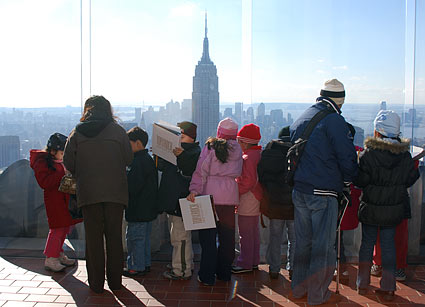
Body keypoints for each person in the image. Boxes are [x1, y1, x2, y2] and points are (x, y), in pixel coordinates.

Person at [289, 79, 358, 305]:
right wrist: (348, 180)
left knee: (303, 242)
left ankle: (299, 288)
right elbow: (346, 157)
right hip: (324, 192)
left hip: (300, 190)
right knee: (323, 245)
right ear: (341, 100)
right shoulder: (334, 120)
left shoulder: (304, 116)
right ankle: (317, 295)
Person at [63, 95, 133, 293]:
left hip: (88, 193)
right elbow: (128, 159)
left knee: (93, 240)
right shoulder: (118, 132)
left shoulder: (77, 132)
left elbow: (68, 162)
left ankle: (95, 284)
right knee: (114, 238)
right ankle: (115, 282)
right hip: (115, 193)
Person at [355, 110, 419, 301]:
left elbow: (361, 180)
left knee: (367, 244)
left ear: (377, 131)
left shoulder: (368, 155)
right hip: (393, 209)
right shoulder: (404, 156)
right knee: (389, 245)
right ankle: (389, 286)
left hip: (371, 208)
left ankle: (362, 283)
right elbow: (409, 180)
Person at [187, 117, 243, 286]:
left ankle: (206, 276)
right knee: (227, 238)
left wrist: (194, 190)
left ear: (219, 132)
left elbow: (200, 171)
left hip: (209, 197)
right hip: (229, 197)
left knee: (208, 239)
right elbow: (239, 172)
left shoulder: (210, 147)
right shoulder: (238, 149)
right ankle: (224, 273)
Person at [30, 133, 82, 272]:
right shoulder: (43, 163)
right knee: (57, 230)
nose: (64, 156)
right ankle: (51, 258)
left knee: (64, 229)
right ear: (53, 152)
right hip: (55, 203)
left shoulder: (58, 163)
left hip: (64, 202)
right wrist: (62, 174)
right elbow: (44, 182)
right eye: (62, 153)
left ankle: (58, 254)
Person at [159, 121, 201, 280]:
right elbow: (163, 168)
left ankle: (182, 270)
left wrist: (180, 156)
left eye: (182, 136)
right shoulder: (183, 151)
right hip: (173, 200)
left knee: (181, 237)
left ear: (191, 138)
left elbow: (190, 172)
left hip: (182, 201)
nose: (179, 139)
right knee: (176, 236)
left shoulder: (194, 152)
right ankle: (182, 262)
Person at [258, 126, 295, 280]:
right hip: (294, 204)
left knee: (275, 237)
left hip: (274, 203)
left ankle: (274, 269)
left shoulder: (269, 152)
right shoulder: (298, 152)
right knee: (294, 239)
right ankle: (293, 268)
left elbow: (261, 176)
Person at [123, 127, 158, 277]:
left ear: (137, 143)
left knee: (135, 239)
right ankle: (145, 263)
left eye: (128, 143)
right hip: (147, 209)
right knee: (144, 239)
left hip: (137, 208)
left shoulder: (137, 162)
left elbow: (133, 187)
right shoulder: (148, 160)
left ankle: (135, 266)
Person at [231, 123, 262, 274]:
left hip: (248, 197)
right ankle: (254, 260)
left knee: (245, 232)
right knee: (253, 232)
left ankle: (245, 263)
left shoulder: (247, 157)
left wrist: (235, 192)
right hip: (256, 197)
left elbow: (248, 181)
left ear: (245, 141)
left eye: (239, 141)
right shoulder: (258, 154)